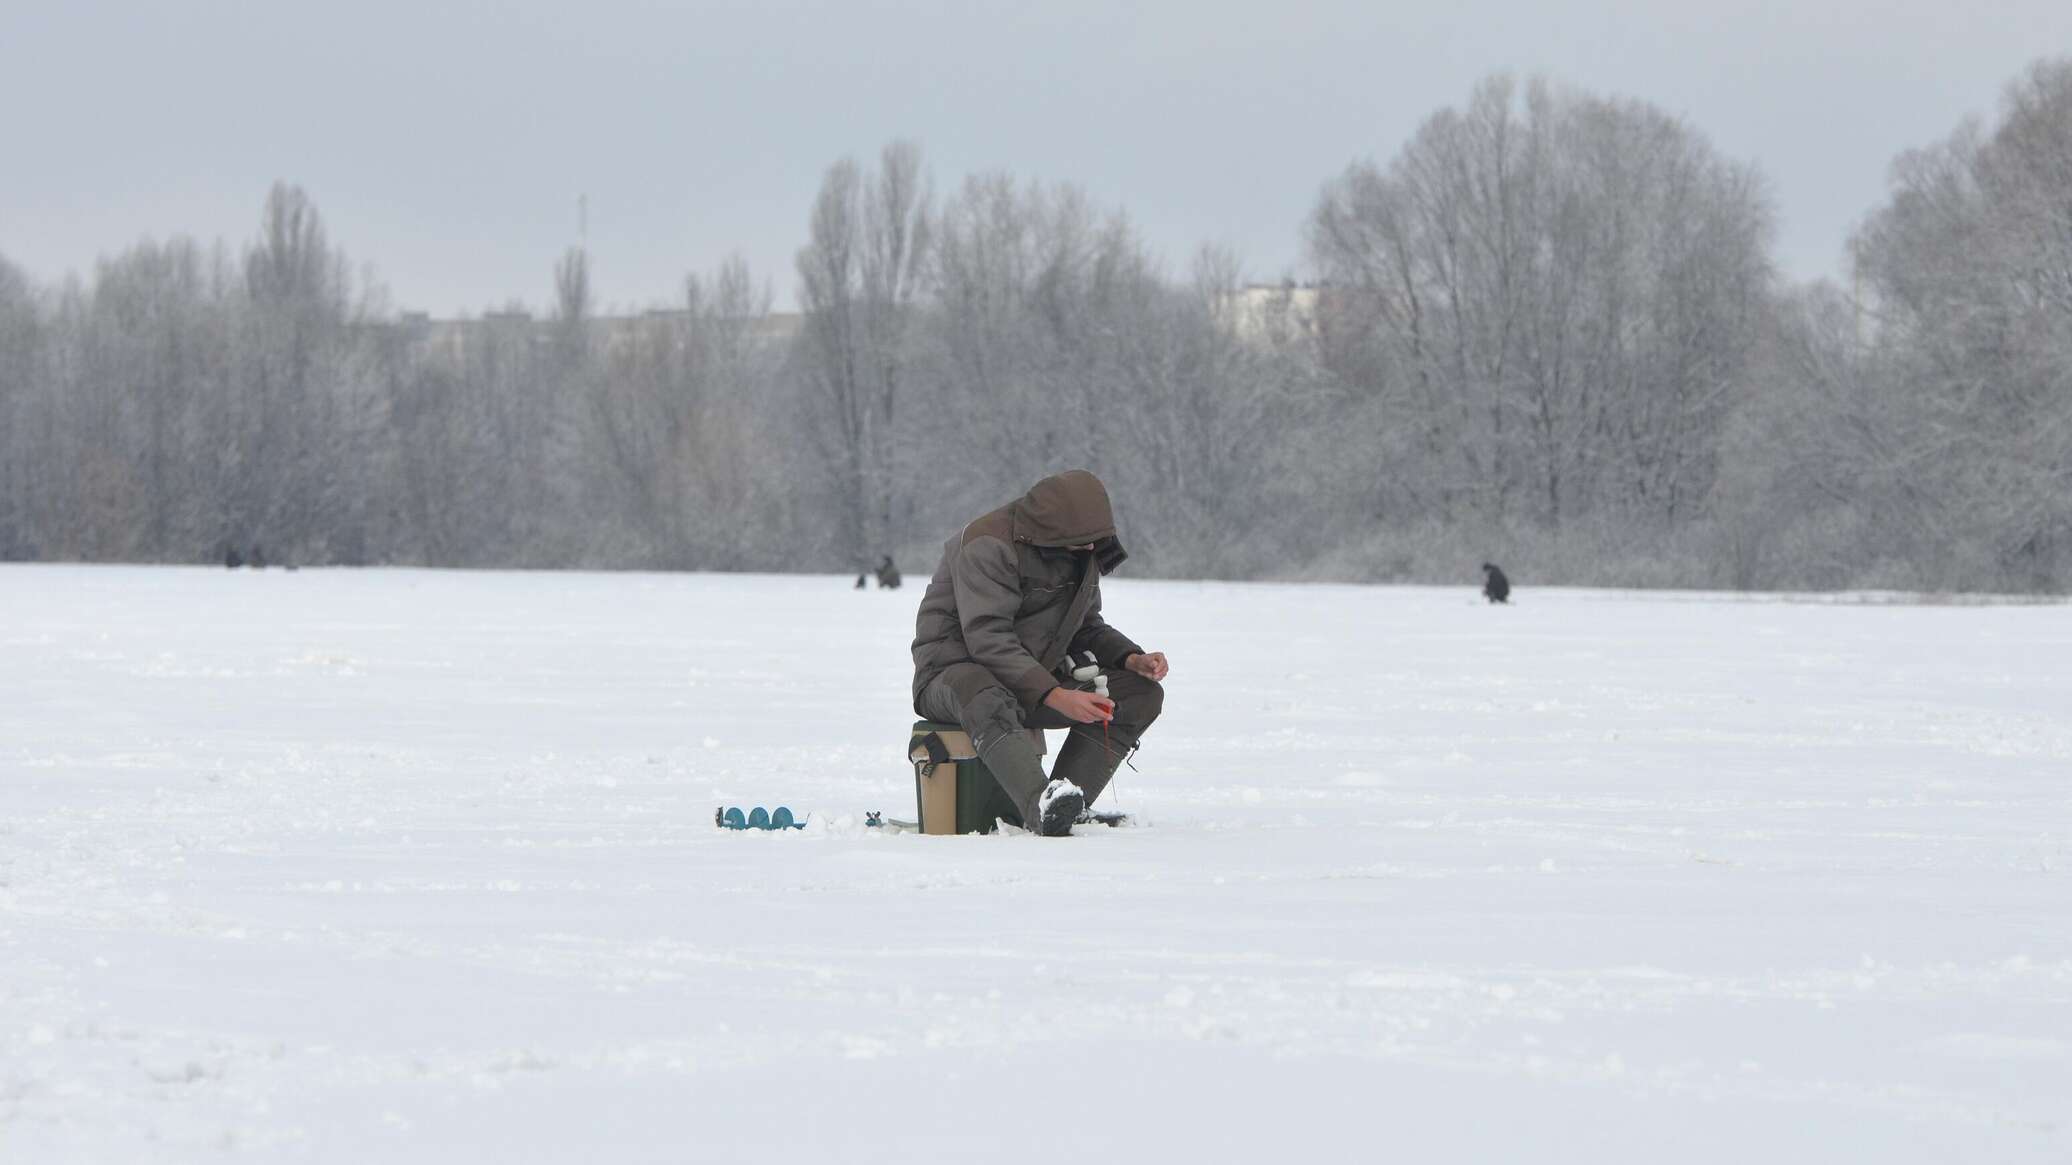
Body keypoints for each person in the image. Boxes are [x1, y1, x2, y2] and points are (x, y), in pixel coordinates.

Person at [910, 470, 1168, 836]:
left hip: (1030, 678)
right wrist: (1055, 695)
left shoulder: (1082, 550)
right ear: (1053, 533)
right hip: (951, 678)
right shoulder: (987, 544)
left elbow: (1086, 627)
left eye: (1095, 542)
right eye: (1083, 543)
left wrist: (1131, 658)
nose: (1092, 550)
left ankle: (1066, 802)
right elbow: (987, 638)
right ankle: (1041, 806)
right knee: (983, 690)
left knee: (1138, 694)